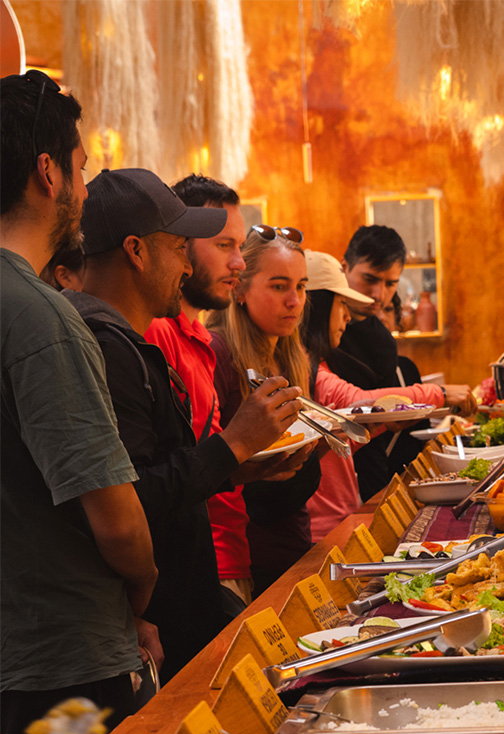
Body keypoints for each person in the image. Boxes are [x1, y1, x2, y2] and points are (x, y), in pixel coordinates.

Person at [64, 169, 303, 681]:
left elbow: (162, 472)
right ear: (136, 251)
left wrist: (239, 468)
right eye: (178, 247)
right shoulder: (105, 347)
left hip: (180, 606)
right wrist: (233, 444)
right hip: (155, 629)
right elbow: (130, 497)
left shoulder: (130, 343)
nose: (187, 263)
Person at [1, 71, 158, 734]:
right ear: (49, 172)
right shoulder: (41, 317)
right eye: (82, 168)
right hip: (64, 664)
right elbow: (117, 520)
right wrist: (146, 584)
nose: (87, 190)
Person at [301, 250, 475, 540]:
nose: (346, 316)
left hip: (339, 520)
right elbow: (356, 401)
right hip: (320, 533)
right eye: (341, 304)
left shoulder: (320, 361)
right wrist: (440, 393)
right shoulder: (307, 369)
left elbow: (336, 444)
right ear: (318, 308)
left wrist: (382, 424)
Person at [145, 174, 253, 611]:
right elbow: (161, 474)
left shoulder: (202, 338)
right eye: (225, 245)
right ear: (181, 245)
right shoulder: (156, 333)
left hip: (227, 552)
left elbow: (205, 454)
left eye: (241, 247)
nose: (240, 263)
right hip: (195, 566)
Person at [207, 226, 321, 595]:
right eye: (278, 286)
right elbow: (210, 470)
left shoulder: (290, 357)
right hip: (240, 565)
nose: (295, 301)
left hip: (292, 553)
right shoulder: (217, 355)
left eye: (301, 286)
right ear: (239, 288)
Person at [326, 225, 408, 500]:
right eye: (370, 279)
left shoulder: (383, 340)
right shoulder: (314, 323)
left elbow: (378, 431)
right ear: (344, 266)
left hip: (367, 470)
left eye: (390, 283)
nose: (379, 294)